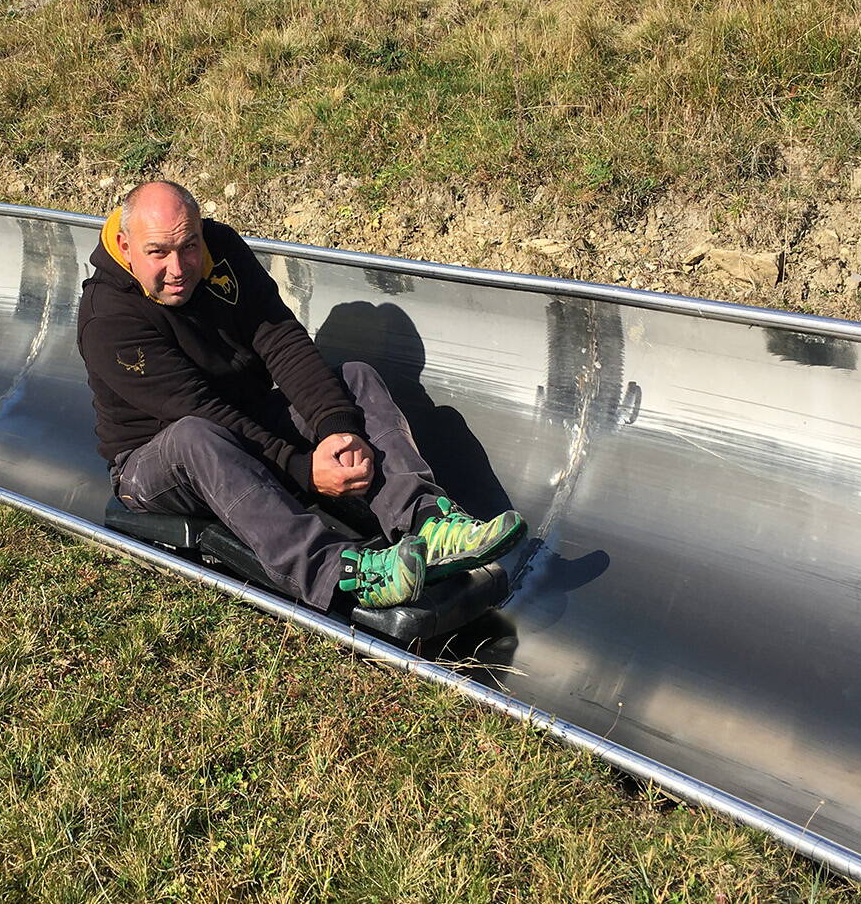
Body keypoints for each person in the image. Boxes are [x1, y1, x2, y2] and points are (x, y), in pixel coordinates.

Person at [77, 181, 525, 611]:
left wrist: (335, 429)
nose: (178, 268)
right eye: (158, 252)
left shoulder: (223, 250)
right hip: (156, 465)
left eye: (189, 246)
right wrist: (304, 470)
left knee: (353, 377)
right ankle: (343, 573)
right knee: (196, 435)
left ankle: (428, 521)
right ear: (126, 245)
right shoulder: (108, 318)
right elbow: (200, 410)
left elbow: (281, 341)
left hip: (245, 424)